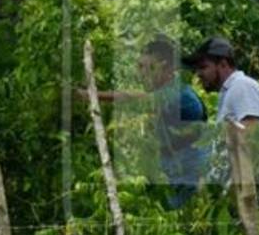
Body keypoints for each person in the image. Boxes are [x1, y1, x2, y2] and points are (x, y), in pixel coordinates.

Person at [84, 35, 208, 209]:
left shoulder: (180, 95)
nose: (140, 73)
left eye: (145, 67)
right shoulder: (169, 92)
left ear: (164, 67)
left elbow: (135, 98)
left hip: (188, 181)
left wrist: (91, 95)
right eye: (139, 66)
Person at [183, 36, 259, 185]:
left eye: (203, 67)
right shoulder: (230, 91)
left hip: (253, 193)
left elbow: (253, 137)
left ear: (223, 64)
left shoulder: (241, 86)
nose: (198, 74)